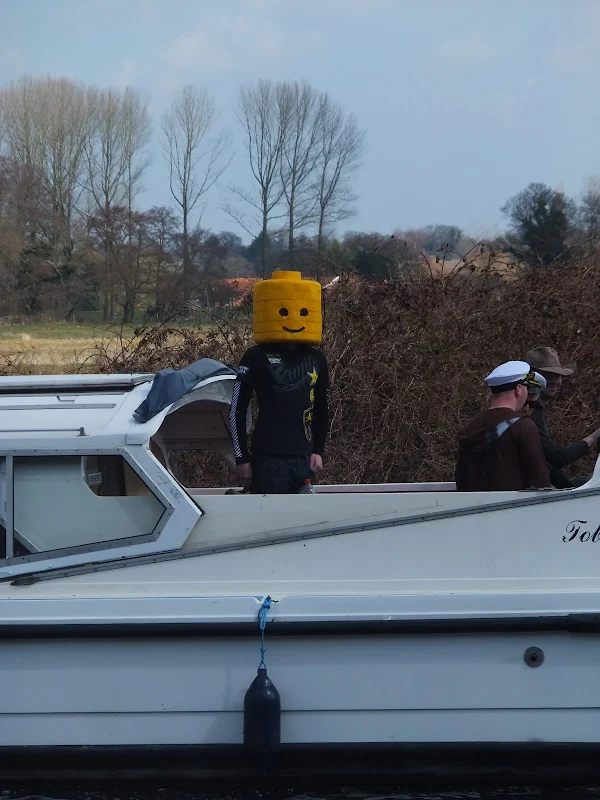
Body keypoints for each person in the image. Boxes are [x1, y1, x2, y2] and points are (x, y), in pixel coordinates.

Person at [230, 270, 329, 494]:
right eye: (284, 312)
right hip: (267, 459)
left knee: (303, 515)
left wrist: (318, 450)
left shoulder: (317, 359)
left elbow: (323, 408)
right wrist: (241, 458)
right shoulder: (255, 356)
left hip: (304, 459)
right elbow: (237, 408)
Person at [455, 361, 551, 491]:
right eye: (527, 388)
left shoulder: (469, 427)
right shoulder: (523, 426)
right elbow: (540, 481)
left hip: (474, 504)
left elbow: (461, 482)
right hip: (515, 504)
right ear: (518, 389)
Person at [525, 346, 600, 489]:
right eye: (548, 375)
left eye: (558, 376)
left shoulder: (536, 411)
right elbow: (557, 458)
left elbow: (550, 463)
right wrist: (592, 438)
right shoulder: (530, 412)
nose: (555, 381)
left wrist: (568, 487)